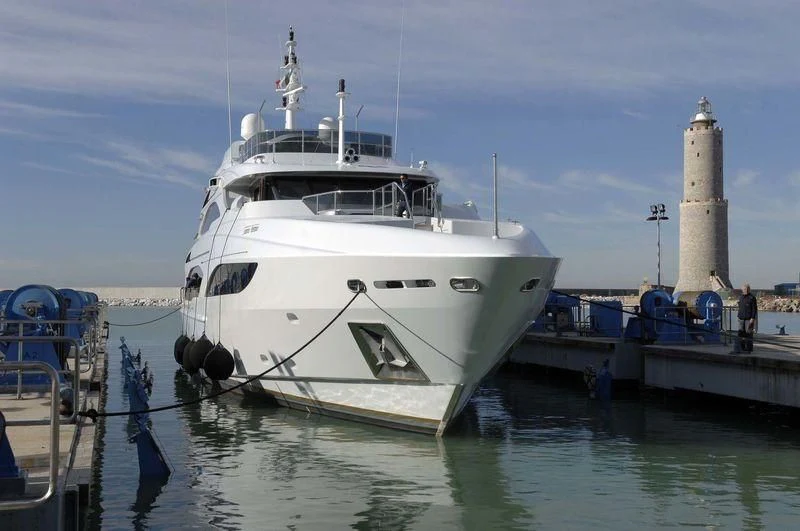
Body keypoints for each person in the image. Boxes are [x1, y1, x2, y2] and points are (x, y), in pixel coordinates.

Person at [736, 283, 758, 353]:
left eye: (747, 289)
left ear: (749, 289)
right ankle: (741, 347)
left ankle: (749, 349)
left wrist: (752, 318)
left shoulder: (752, 298)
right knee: (740, 334)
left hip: (749, 319)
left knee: (749, 334)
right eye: (744, 289)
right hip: (741, 318)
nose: (745, 290)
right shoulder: (741, 297)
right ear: (742, 289)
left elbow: (754, 309)